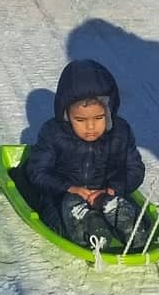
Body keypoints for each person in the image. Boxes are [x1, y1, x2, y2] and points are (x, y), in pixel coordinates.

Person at [25, 59, 149, 250]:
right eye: (80, 119)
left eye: (98, 118)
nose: (90, 127)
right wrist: (69, 188)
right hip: (65, 194)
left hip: (106, 193)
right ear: (66, 114)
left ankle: (130, 227)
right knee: (66, 207)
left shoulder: (120, 132)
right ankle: (93, 231)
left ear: (108, 112)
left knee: (115, 203)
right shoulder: (53, 133)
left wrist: (112, 189)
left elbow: (135, 169)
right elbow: (37, 172)